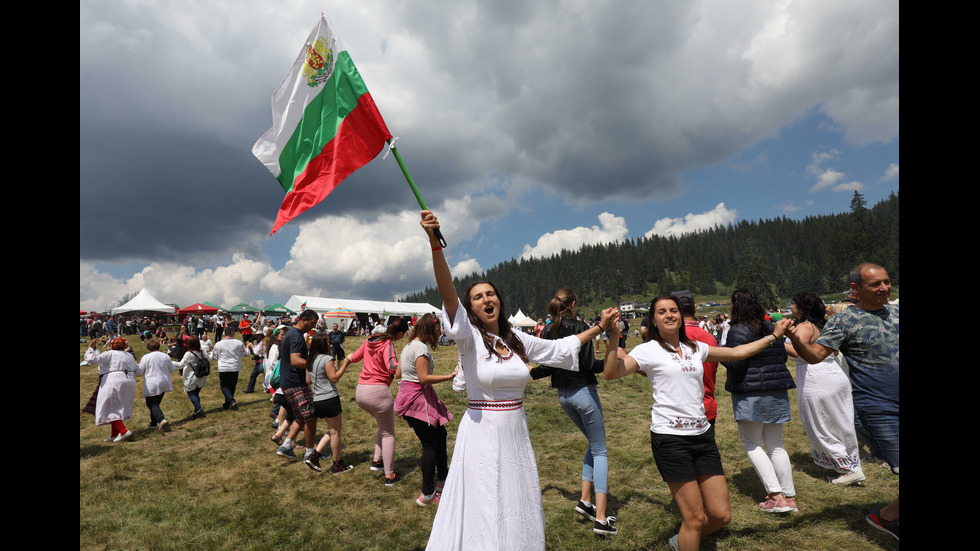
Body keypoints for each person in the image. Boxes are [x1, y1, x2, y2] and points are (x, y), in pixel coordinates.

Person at [420, 210, 616, 550]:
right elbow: (448, 292)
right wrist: (435, 244)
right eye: (478, 296)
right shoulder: (469, 337)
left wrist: (598, 328)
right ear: (470, 308)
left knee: (513, 498)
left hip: (515, 431)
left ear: (500, 300)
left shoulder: (515, 340)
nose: (486, 299)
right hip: (480, 434)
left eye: (490, 293)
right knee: (482, 502)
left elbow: (559, 350)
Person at [603, 295, 793, 551]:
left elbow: (737, 353)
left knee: (720, 515)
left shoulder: (695, 347)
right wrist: (613, 335)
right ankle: (687, 538)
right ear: (654, 319)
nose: (669, 315)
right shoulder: (647, 350)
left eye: (673, 310)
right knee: (694, 519)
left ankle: (680, 542)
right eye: (662, 312)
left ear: (681, 316)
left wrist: (774, 336)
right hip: (670, 440)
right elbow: (611, 372)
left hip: (703, 436)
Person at [785, 263, 899, 541]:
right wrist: (791, 338)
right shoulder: (843, 321)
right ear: (855, 289)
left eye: (886, 282)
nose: (884, 288)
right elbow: (814, 356)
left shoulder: (896, 312)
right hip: (878, 407)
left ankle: (888, 516)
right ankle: (886, 517)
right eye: (876, 284)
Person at [529, 288, 616, 534]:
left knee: (593, 443)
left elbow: (546, 367)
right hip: (584, 392)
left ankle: (585, 501)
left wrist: (529, 373)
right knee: (600, 450)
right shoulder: (580, 327)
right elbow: (590, 365)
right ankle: (600, 518)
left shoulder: (547, 330)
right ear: (574, 304)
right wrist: (616, 360)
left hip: (563, 395)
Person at [722, 288, 798, 514]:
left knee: (751, 443)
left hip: (750, 391)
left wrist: (723, 356)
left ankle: (775, 496)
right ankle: (789, 496)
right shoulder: (771, 328)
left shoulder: (738, 330)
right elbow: (782, 357)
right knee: (776, 444)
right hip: (777, 390)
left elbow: (735, 362)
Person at [783, 291, 863, 485]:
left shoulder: (804, 326)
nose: (791, 306)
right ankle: (852, 463)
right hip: (833, 374)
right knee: (839, 422)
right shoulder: (824, 325)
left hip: (815, 376)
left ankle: (847, 468)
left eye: (793, 303)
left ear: (802, 308)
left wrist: (775, 341)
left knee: (820, 423)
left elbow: (796, 350)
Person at [394, 313, 458, 506]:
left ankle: (442, 482)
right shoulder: (421, 348)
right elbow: (423, 378)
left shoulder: (408, 346)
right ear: (429, 329)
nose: (439, 334)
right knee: (430, 444)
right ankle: (427, 494)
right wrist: (449, 376)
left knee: (441, 434)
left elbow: (398, 373)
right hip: (418, 399)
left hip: (411, 396)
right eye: (438, 330)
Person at [341, 317, 409, 485]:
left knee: (383, 427)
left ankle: (377, 461)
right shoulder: (388, 344)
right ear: (400, 333)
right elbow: (392, 368)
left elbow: (355, 357)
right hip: (378, 392)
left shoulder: (369, 340)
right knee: (389, 433)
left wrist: (348, 357)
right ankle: (390, 475)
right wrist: (409, 362)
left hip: (361, 392)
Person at [304, 332, 354, 474]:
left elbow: (308, 381)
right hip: (329, 398)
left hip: (317, 399)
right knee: (336, 432)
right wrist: (346, 363)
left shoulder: (310, 360)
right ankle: (337, 464)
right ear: (322, 344)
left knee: (333, 430)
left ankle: (315, 455)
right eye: (327, 341)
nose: (330, 344)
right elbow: (334, 378)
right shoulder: (327, 359)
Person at [275, 310, 320, 463]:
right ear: (304, 319)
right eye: (312, 323)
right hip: (295, 383)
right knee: (311, 416)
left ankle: (286, 445)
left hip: (290, 382)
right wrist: (315, 363)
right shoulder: (296, 336)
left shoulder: (293, 334)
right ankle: (310, 453)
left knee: (301, 415)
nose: (313, 327)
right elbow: (295, 361)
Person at [670, 290, 719, 427]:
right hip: (706, 407)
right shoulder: (710, 339)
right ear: (695, 308)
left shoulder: (670, 337)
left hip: (677, 410)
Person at [88, 337, 140, 442]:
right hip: (129, 381)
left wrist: (90, 348)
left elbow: (91, 359)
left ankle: (123, 431)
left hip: (113, 380)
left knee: (108, 407)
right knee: (117, 407)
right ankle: (114, 435)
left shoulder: (109, 354)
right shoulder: (129, 355)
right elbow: (138, 371)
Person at [139, 339, 178, 432]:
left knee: (151, 404)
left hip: (152, 382)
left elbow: (139, 371)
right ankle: (153, 423)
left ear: (148, 347)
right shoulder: (165, 356)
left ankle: (161, 420)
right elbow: (172, 369)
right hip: (164, 381)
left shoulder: (146, 357)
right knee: (155, 403)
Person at [210, 326, 253, 410]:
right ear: (232, 332)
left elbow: (213, 356)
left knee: (224, 386)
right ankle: (230, 401)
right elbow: (246, 354)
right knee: (232, 386)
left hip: (223, 367)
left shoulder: (219, 344)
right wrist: (248, 347)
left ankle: (229, 401)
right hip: (234, 367)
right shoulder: (238, 343)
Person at [173, 336, 210, 418]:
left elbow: (180, 365)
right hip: (201, 376)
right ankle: (196, 411)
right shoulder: (203, 352)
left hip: (191, 377)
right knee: (196, 394)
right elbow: (209, 359)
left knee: (191, 394)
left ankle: (199, 409)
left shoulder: (188, 354)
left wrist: (170, 362)